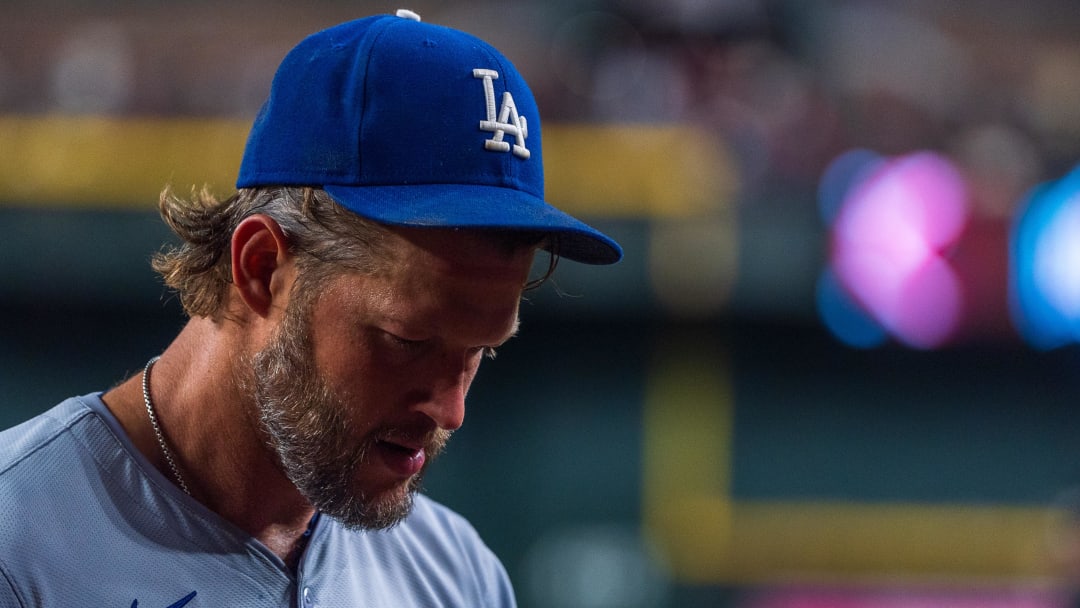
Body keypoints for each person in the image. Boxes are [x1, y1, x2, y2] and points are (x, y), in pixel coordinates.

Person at [0, 9, 621, 607]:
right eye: (407, 341)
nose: (451, 410)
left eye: (481, 351)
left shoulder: (457, 574)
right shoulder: (19, 545)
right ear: (262, 269)